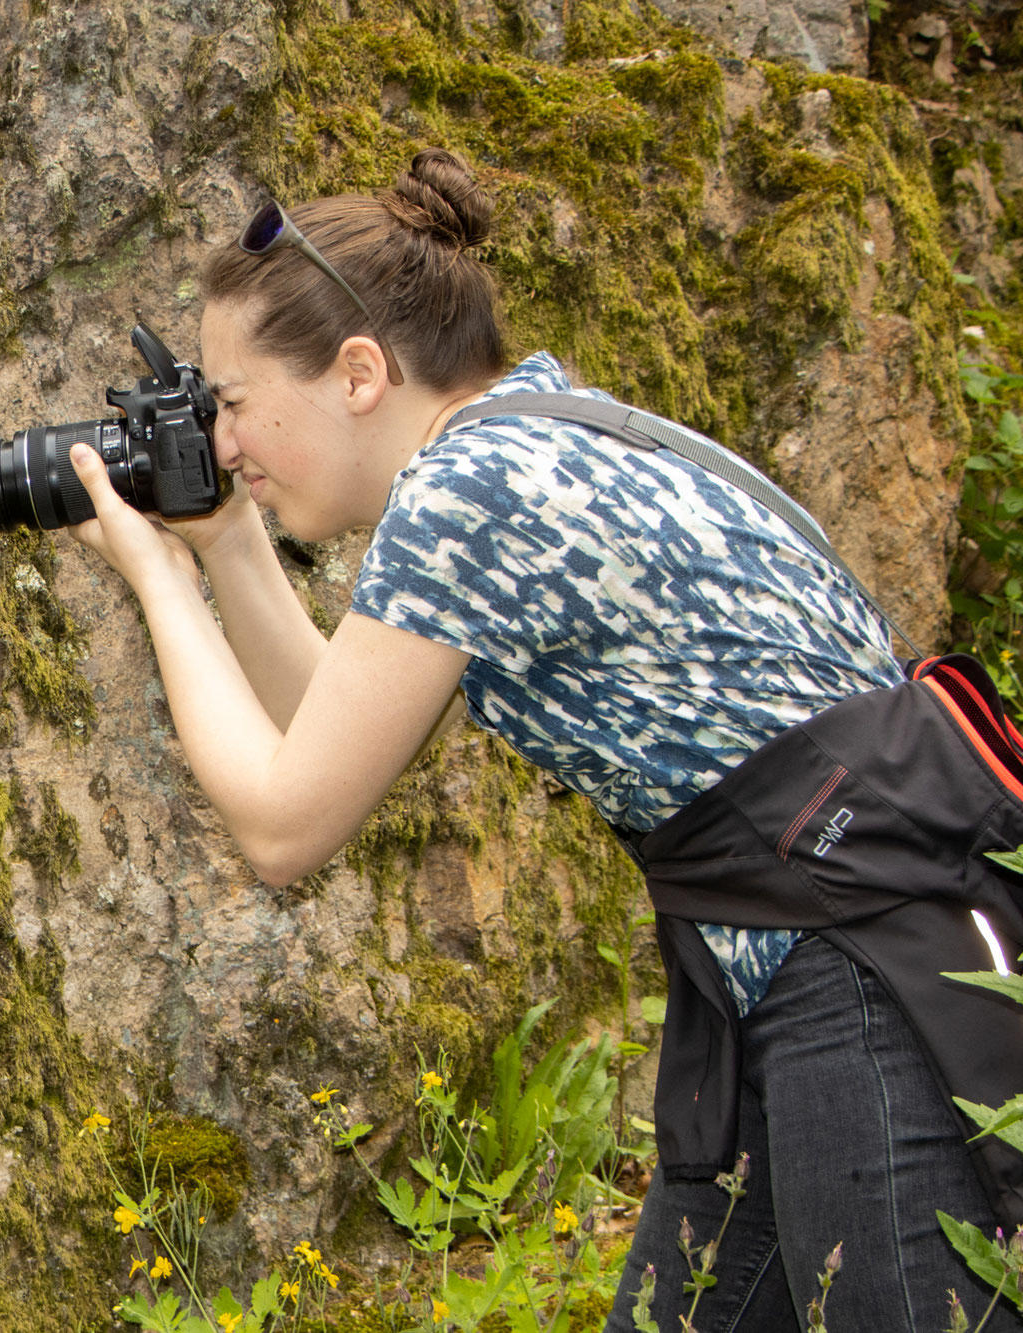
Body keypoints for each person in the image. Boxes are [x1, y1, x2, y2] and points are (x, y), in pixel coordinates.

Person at [61, 146, 1023, 1331]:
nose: (222, 441)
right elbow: (331, 732)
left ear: (358, 372)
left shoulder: (470, 493)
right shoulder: (542, 435)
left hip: (858, 969)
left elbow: (284, 823)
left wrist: (155, 577)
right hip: (826, 951)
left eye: (232, 402)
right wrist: (221, 543)